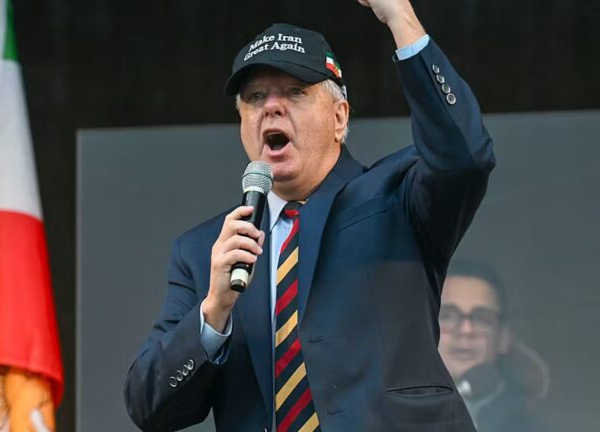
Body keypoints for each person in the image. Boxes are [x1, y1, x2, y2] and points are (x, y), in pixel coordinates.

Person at [125, 0, 495, 429]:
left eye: (296, 92)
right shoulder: (208, 250)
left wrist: (400, 16)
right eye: (255, 97)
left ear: (339, 117)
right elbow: (149, 407)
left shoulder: (397, 196)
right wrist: (214, 310)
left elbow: (464, 156)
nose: (272, 107)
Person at [439, 262, 550, 432]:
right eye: (447, 316)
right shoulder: (395, 411)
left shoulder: (533, 426)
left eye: (482, 318)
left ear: (503, 337)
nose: (466, 330)